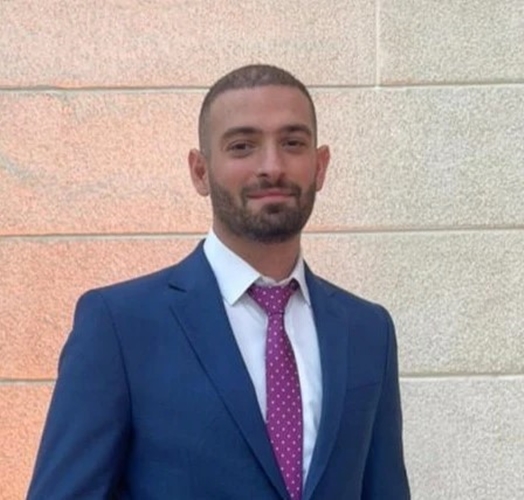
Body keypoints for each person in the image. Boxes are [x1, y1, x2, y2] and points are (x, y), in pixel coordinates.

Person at [27, 64, 410, 499]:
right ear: (200, 172)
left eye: (292, 143)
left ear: (320, 166)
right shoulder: (119, 327)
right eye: (242, 146)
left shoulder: (368, 331)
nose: (272, 166)